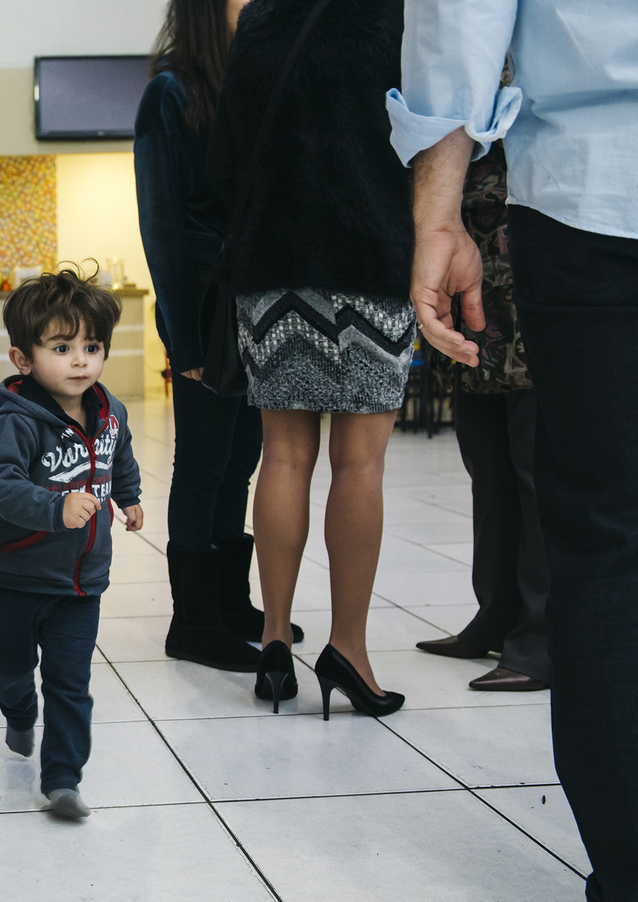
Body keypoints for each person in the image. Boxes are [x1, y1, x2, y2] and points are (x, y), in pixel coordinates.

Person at [388, 1, 638, 902]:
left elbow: (460, 20)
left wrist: (437, 211)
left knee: (609, 546)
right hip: (588, 197)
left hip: (594, 193)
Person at [206, 0, 411, 717]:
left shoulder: (261, 19)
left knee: (284, 456)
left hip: (272, 268)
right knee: (360, 463)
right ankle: (348, 650)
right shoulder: (393, 16)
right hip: (373, 260)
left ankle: (273, 642)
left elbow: (224, 157)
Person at [134, 0, 301, 674]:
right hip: (203, 305)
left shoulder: (253, 77)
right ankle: (194, 621)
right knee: (203, 462)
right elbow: (161, 225)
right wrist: (185, 341)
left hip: (257, 297)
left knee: (242, 459)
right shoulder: (169, 92)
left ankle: (232, 604)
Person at [0, 268, 143, 819]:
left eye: (92, 348)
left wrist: (129, 496)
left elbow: (120, 456)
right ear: (23, 359)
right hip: (15, 580)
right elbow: (0, 484)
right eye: (62, 348)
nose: (80, 362)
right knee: (10, 671)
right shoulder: (17, 422)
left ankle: (62, 779)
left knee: (71, 684)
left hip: (80, 585)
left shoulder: (110, 411)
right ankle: (18, 711)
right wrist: (56, 507)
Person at [415, 141, 550, 692]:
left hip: (535, 307)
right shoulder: (457, 127)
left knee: (536, 478)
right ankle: (495, 614)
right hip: (475, 314)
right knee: (489, 474)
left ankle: (541, 638)